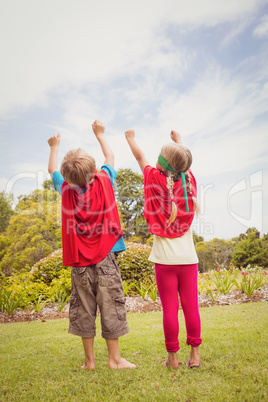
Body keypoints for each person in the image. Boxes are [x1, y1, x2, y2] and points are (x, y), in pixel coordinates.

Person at [47, 120, 136, 370]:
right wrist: (100, 134)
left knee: (84, 308)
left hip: (80, 263)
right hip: (106, 257)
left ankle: (90, 362)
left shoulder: (64, 188)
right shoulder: (104, 179)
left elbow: (51, 169)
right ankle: (115, 359)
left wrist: (54, 146)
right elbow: (110, 155)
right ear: (93, 169)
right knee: (111, 305)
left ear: (68, 177)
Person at [125, 128, 202, 369]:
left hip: (164, 261)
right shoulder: (189, 182)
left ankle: (173, 360)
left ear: (163, 162)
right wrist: (179, 142)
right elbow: (184, 166)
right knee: (191, 308)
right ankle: (195, 358)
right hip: (188, 259)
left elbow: (140, 158)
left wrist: (130, 139)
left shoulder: (153, 178)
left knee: (169, 310)